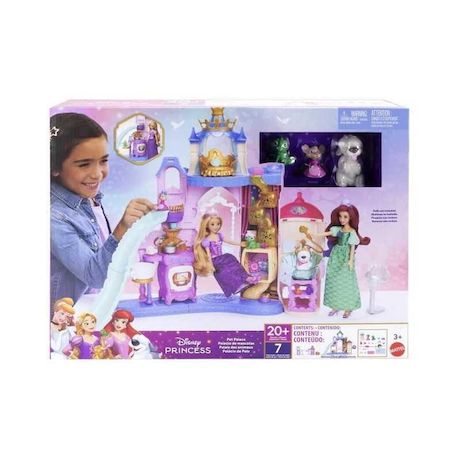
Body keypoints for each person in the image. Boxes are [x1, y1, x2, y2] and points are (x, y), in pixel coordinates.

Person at [50, 113, 155, 307]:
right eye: (84, 164)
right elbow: (95, 276)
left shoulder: (87, 197)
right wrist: (122, 228)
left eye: (103, 161)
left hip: (94, 305)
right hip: (70, 315)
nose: (97, 174)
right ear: (54, 167)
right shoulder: (54, 218)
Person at [314, 202, 370, 318]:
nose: (342, 219)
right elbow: (327, 233)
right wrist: (313, 234)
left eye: (345, 217)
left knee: (346, 282)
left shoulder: (352, 232)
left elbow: (352, 246)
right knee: (334, 281)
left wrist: (350, 260)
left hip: (345, 257)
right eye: (340, 216)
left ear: (351, 218)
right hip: (335, 256)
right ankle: (336, 305)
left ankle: (348, 307)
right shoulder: (338, 229)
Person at [193, 213, 258, 297]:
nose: (216, 226)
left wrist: (239, 244)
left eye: (218, 224)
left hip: (222, 257)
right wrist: (211, 265)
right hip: (215, 260)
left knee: (231, 259)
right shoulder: (206, 240)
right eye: (212, 224)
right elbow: (208, 254)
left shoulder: (219, 235)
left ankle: (246, 278)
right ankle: (236, 285)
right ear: (207, 226)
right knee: (224, 271)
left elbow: (229, 241)